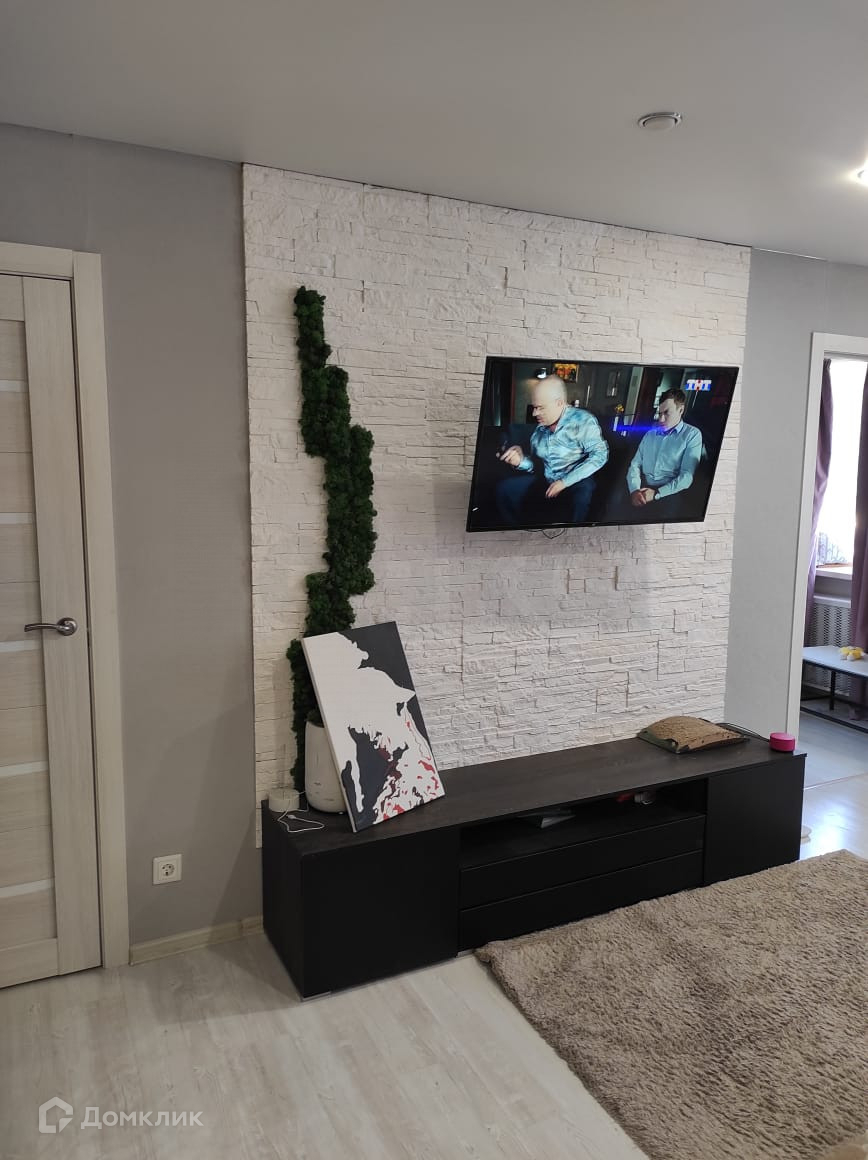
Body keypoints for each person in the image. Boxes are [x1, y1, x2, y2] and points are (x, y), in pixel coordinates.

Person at [495, 375, 608, 525]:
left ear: (559, 403)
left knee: (582, 495)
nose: (534, 413)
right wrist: (520, 461)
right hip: (547, 480)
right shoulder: (540, 429)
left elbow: (600, 455)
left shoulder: (583, 421)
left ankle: (574, 535)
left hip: (576, 482)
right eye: (534, 407)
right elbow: (537, 466)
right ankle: (518, 533)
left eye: (540, 408)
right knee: (505, 489)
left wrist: (564, 482)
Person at [625, 387, 703, 518]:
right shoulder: (650, 434)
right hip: (641, 487)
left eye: (666, 413)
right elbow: (635, 464)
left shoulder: (692, 435)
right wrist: (634, 490)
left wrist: (656, 493)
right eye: (659, 413)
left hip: (669, 491)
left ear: (681, 410)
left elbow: (687, 477)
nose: (661, 419)